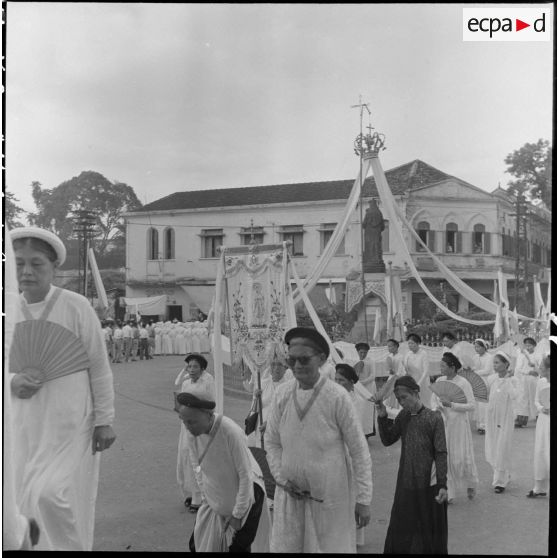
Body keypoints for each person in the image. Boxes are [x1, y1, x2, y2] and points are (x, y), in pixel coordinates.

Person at [9, 227, 116, 550]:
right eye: (18, 263)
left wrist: (104, 420)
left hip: (70, 422)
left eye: (37, 264)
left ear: (54, 267)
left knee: (54, 495)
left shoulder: (76, 306)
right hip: (24, 422)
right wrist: (11, 380)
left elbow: (99, 365)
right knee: (21, 498)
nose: (26, 272)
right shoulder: (7, 307)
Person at [265, 327, 372, 553]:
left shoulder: (337, 397)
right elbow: (272, 442)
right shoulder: (282, 394)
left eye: (304, 360)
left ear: (322, 359)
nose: (296, 366)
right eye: (291, 360)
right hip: (290, 498)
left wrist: (363, 499)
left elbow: (359, 451)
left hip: (329, 499)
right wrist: (282, 479)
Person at [176, 392, 271, 553]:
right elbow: (197, 468)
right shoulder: (190, 432)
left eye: (192, 422)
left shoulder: (231, 432)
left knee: (238, 546)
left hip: (248, 493)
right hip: (217, 493)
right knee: (196, 543)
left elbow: (245, 475)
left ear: (207, 415)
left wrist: (237, 514)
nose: (188, 427)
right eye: (184, 422)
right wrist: (209, 498)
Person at [375, 375, 448, 554]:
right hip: (406, 481)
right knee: (404, 526)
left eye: (404, 398)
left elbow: (440, 453)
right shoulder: (403, 416)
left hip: (428, 484)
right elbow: (388, 439)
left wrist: (442, 484)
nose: (401, 403)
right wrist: (383, 416)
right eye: (398, 399)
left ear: (416, 393)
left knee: (427, 527)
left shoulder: (434, 418)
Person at [431, 353, 478, 503]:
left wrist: (452, 405)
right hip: (443, 423)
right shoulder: (439, 381)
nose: (441, 368)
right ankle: (449, 492)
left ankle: (471, 483)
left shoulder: (463, 383)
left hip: (458, 424)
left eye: (443, 366)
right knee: (445, 456)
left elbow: (471, 405)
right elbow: (433, 400)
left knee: (460, 457)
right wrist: (437, 409)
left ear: (452, 367)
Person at [176, 353, 216, 513]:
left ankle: (201, 496)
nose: (192, 369)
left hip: (200, 424)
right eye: (189, 366)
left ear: (202, 368)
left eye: (195, 367)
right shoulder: (185, 383)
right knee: (186, 455)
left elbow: (212, 403)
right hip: (186, 425)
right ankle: (193, 492)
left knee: (200, 457)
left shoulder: (208, 381)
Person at [485, 351, 520, 493]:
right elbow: (487, 395)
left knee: (502, 447)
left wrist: (508, 381)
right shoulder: (491, 378)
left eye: (497, 362)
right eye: (494, 362)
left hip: (505, 418)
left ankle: (499, 482)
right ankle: (503, 474)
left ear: (506, 364)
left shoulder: (513, 380)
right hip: (492, 417)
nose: (495, 365)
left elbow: (515, 396)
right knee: (493, 446)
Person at [242, 358, 294, 446]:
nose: (276, 368)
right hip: (261, 428)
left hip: (277, 430)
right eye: (273, 364)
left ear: (285, 368)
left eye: (279, 365)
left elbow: (287, 412)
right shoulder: (263, 384)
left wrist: (269, 424)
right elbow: (255, 410)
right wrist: (256, 398)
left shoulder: (288, 387)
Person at [527, 355, 550, 498]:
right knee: (540, 451)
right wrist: (542, 408)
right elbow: (536, 400)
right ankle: (539, 487)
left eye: (541, 367)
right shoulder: (540, 382)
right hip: (543, 420)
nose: (539, 369)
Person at [335, 363, 375, 439]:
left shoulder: (357, 401)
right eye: (336, 379)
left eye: (341, 380)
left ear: (351, 382)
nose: (337, 383)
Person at [513, 337, 540, 428]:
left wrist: (535, 367)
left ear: (534, 346)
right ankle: (521, 420)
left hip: (534, 380)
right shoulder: (522, 355)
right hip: (524, 380)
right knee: (523, 399)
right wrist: (528, 372)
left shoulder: (538, 355)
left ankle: (539, 418)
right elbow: (518, 369)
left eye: (530, 345)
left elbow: (541, 369)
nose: (528, 347)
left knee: (535, 398)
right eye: (526, 346)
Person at [471, 338, 493, 434]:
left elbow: (487, 370)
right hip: (476, 381)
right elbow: (473, 366)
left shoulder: (489, 357)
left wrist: (474, 372)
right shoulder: (475, 357)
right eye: (475, 347)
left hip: (485, 381)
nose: (477, 349)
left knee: (483, 404)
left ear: (484, 347)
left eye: (479, 347)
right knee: (477, 404)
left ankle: (484, 425)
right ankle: (479, 424)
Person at [403, 333, 431, 407]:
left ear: (418, 343)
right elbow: (405, 368)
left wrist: (419, 383)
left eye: (412, 343)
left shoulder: (423, 354)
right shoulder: (408, 354)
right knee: (413, 402)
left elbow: (426, 371)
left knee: (424, 401)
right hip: (412, 381)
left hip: (422, 382)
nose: (410, 345)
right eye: (409, 343)